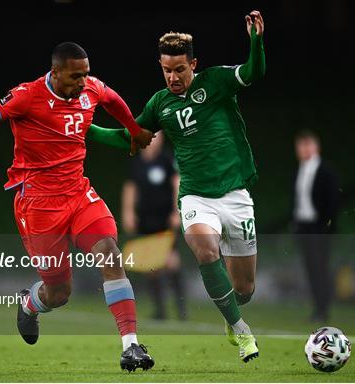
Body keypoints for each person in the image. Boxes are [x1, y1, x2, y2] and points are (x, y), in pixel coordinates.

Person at [0, 42, 155, 372]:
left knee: (109, 253)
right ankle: (30, 303)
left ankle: (130, 346)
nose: (82, 82)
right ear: (55, 73)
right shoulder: (26, 96)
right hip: (38, 206)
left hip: (78, 194)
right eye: (75, 76)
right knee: (59, 293)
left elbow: (113, 99)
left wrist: (133, 130)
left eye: (86, 75)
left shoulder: (90, 88)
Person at [92, 10, 266, 363]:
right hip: (196, 197)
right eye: (166, 70)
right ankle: (243, 332)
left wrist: (256, 42)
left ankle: (234, 317)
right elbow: (132, 135)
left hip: (235, 195)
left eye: (179, 69)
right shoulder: (160, 103)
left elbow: (253, 73)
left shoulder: (216, 82)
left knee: (244, 290)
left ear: (194, 64)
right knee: (204, 249)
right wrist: (87, 129)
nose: (173, 77)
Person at [122, 132, 187, 321]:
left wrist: (177, 210)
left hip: (165, 220)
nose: (154, 139)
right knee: (151, 266)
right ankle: (160, 310)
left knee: (171, 261)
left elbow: (177, 182)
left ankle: (181, 308)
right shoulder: (137, 160)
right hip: (145, 220)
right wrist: (128, 212)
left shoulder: (167, 158)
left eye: (157, 135)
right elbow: (130, 187)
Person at [292, 130, 339, 322]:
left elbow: (333, 201)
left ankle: (323, 309)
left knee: (320, 268)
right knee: (311, 268)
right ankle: (317, 307)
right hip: (303, 226)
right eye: (300, 146)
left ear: (316, 147)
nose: (303, 149)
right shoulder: (298, 170)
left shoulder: (325, 170)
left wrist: (327, 226)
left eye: (307, 145)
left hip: (318, 227)